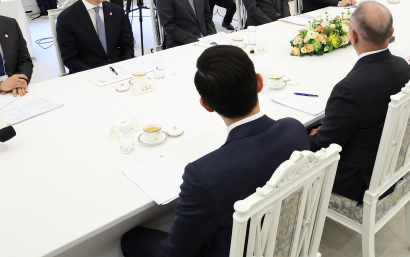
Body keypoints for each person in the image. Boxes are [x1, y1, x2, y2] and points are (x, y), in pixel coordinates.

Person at [120, 45, 310, 257]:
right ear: (259, 82)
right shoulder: (295, 129)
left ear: (206, 105)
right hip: (286, 241)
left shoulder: (204, 175)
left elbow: (175, 254)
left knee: (131, 239)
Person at [309, 1, 410, 204]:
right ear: (391, 33)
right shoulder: (403, 66)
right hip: (391, 160)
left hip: (361, 178)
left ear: (353, 36)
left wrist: (313, 136)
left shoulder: (348, 89)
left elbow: (322, 148)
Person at [56, 0, 134, 73]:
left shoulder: (117, 11)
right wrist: (95, 74)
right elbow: (70, 58)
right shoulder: (66, 18)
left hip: (119, 69)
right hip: (87, 73)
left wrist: (123, 67)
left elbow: (128, 46)